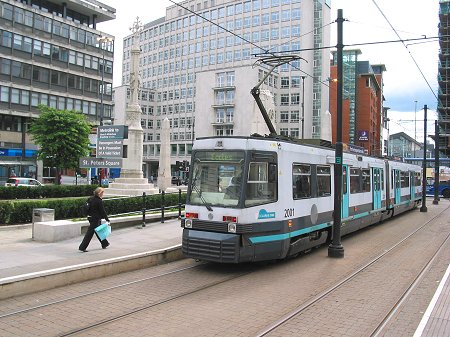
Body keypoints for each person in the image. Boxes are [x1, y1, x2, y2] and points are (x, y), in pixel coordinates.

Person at [79, 187, 110, 252]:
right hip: (95, 218)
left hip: (90, 217)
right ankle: (82, 247)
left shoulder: (90, 198)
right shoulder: (99, 201)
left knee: (99, 231)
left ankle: (104, 243)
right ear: (99, 193)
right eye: (102, 193)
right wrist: (107, 219)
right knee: (90, 233)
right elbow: (102, 211)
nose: (103, 194)